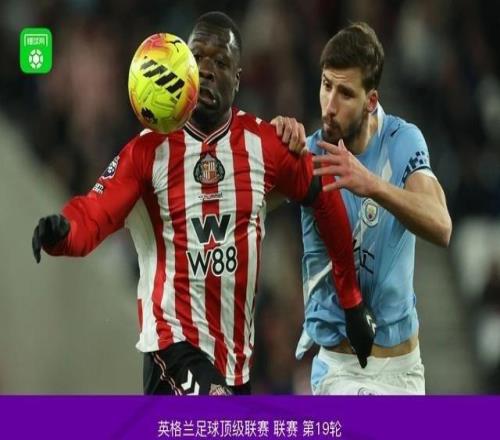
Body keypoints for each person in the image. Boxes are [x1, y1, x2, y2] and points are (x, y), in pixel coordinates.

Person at [31, 12, 375, 395]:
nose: (207, 70)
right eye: (198, 59)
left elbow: (324, 196)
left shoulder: (265, 145)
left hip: (234, 365)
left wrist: (351, 301)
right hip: (171, 348)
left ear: (238, 79)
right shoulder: (147, 152)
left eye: (221, 62)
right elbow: (96, 212)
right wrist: (64, 232)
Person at [276, 22, 452, 395]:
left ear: (371, 101)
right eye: (326, 86)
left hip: (405, 370)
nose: (329, 106)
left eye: (345, 94)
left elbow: (442, 226)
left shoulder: (402, 141)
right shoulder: (308, 155)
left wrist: (372, 184)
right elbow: (251, 197)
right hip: (341, 370)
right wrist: (268, 143)